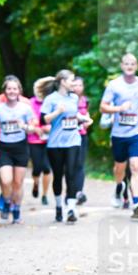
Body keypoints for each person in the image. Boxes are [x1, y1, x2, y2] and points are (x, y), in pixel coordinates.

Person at [100, 53, 138, 219]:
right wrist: (119, 109)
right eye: (126, 63)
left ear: (137, 66)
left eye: (132, 63)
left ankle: (136, 202)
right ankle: (119, 187)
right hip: (119, 134)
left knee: (136, 166)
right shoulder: (114, 85)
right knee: (120, 168)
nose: (129, 66)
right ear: (121, 66)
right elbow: (103, 107)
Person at [41, 69, 92, 224]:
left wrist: (83, 119)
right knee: (58, 176)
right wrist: (57, 112)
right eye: (71, 80)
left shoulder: (74, 98)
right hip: (55, 143)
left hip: (73, 140)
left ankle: (70, 208)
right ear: (63, 82)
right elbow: (44, 120)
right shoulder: (51, 99)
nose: (74, 84)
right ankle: (58, 206)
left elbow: (73, 114)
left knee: (71, 173)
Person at [0, 77, 37, 224]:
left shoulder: (25, 109)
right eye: (9, 89)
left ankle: (16, 209)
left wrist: (24, 126)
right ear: (5, 91)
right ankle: (6, 201)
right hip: (4, 148)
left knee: (18, 183)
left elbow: (32, 130)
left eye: (14, 89)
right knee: (6, 181)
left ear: (19, 91)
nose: (12, 91)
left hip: (21, 148)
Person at [28, 78, 53, 206]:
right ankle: (36, 183)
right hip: (34, 141)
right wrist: (36, 128)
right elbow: (28, 120)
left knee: (47, 168)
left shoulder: (51, 102)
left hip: (50, 141)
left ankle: (44, 195)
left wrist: (50, 127)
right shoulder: (30, 103)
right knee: (37, 168)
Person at [71, 75, 90, 206]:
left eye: (80, 85)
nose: (77, 88)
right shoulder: (66, 100)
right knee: (70, 166)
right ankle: (71, 192)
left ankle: (79, 192)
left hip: (82, 135)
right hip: (69, 137)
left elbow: (87, 116)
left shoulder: (85, 100)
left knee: (80, 165)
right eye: (75, 85)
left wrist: (87, 121)